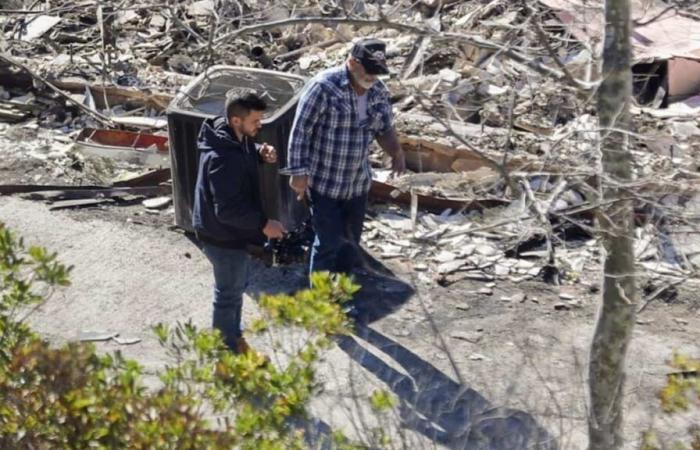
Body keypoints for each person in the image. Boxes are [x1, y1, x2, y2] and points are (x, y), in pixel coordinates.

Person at [286, 38, 406, 279]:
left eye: (377, 72)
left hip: (357, 184)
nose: (372, 78)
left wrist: (396, 152)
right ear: (352, 63)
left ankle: (341, 295)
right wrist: (298, 173)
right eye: (369, 71)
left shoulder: (378, 92)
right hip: (325, 184)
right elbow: (301, 131)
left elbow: (384, 128)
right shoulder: (323, 87)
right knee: (327, 243)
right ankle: (319, 304)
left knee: (350, 244)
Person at [192, 91, 286, 354]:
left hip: (227, 231)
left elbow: (241, 151)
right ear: (236, 121)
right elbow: (228, 211)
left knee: (235, 286)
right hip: (222, 235)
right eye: (256, 121)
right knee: (228, 294)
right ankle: (226, 350)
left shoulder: (230, 136)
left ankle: (233, 338)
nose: (260, 126)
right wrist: (264, 224)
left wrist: (258, 151)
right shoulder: (223, 158)